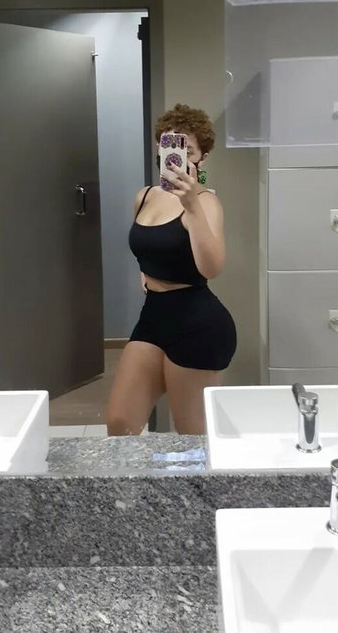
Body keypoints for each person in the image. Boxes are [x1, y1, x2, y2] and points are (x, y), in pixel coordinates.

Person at [106, 103, 236, 435]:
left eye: (187, 150)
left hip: (198, 324)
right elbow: (148, 245)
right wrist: (147, 272)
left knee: (191, 435)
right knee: (120, 423)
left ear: (202, 158)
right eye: (169, 146)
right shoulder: (144, 197)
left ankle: (202, 473)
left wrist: (190, 205)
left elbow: (211, 267)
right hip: (153, 317)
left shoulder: (206, 203)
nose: (176, 157)